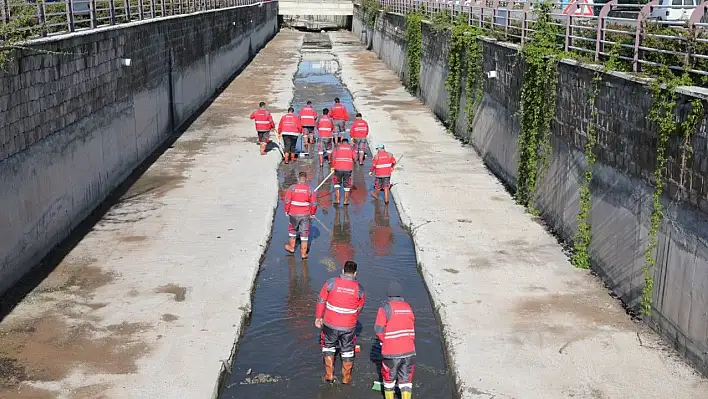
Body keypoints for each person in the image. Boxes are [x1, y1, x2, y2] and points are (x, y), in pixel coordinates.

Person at [315, 260, 366, 384]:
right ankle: (346, 378)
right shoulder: (359, 289)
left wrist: (318, 317)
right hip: (348, 326)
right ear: (355, 273)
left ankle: (329, 375)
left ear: (342, 271)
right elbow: (359, 308)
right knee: (348, 350)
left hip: (330, 324)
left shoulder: (331, 283)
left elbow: (321, 300)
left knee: (328, 347)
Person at [374, 281, 416, 399]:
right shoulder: (408, 307)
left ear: (389, 295)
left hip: (391, 352)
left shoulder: (385, 309)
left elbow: (378, 330)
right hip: (409, 351)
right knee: (406, 382)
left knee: (389, 381)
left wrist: (384, 341)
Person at [284, 172, 317, 258]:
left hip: (293, 213)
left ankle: (291, 247)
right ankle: (303, 253)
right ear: (306, 179)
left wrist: (286, 211)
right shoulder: (309, 189)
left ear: (298, 179)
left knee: (292, 230)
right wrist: (312, 213)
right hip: (305, 214)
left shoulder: (292, 188)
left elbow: (287, 201)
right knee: (304, 233)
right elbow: (313, 204)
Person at [330, 138, 356, 206]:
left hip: (338, 168)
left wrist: (333, 166)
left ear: (342, 142)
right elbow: (355, 158)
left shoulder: (337, 147)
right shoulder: (351, 148)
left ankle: (337, 199)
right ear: (347, 142)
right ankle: (345, 201)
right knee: (347, 185)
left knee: (337, 183)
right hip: (348, 169)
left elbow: (333, 157)